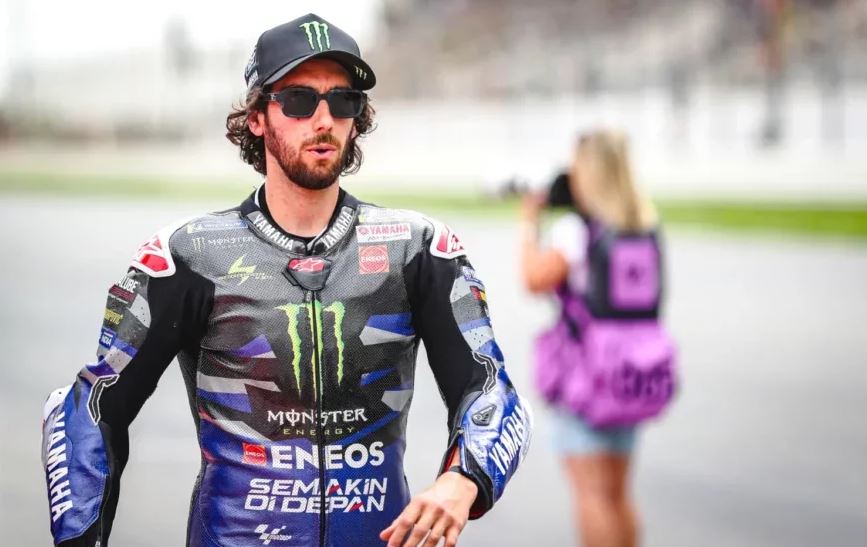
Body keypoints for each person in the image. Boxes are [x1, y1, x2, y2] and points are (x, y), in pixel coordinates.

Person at [41, 13, 532, 547]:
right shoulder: (189, 255)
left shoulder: (417, 249)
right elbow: (90, 409)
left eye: (343, 101)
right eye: (299, 100)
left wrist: (463, 478)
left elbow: (492, 389)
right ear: (256, 117)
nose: (324, 119)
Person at [518, 130, 672, 547]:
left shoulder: (576, 230)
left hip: (587, 374)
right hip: (632, 368)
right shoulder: (642, 223)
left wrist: (529, 222)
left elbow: (534, 279)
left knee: (591, 493)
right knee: (617, 492)